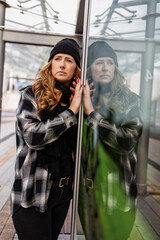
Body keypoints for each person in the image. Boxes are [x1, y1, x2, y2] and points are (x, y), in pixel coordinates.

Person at [11, 38, 83, 240]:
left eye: (69, 60)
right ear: (50, 63)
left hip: (62, 191)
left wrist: (84, 105)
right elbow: (34, 137)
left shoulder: (78, 99)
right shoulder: (32, 95)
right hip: (32, 194)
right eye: (57, 58)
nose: (61, 64)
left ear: (76, 67)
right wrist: (71, 112)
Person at [79, 41, 143, 240]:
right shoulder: (80, 99)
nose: (106, 67)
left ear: (116, 67)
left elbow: (126, 141)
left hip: (117, 193)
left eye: (110, 62)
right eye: (99, 62)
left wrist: (91, 114)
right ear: (89, 68)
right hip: (89, 194)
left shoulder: (131, 100)